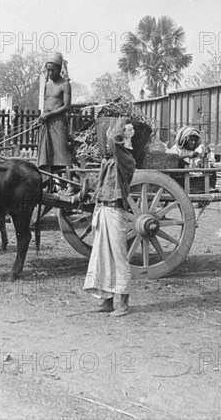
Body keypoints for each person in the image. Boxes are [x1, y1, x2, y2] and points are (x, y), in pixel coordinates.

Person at [83, 119, 137, 317]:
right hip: (104, 210)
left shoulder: (126, 160)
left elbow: (113, 141)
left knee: (119, 258)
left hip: (116, 212)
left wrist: (118, 123)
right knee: (102, 255)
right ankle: (107, 301)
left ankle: (123, 303)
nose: (107, 146)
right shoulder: (108, 161)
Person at [37, 52, 74, 194]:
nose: (50, 72)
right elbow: (47, 104)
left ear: (60, 69)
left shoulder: (65, 85)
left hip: (58, 123)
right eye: (48, 70)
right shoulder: (47, 84)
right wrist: (42, 117)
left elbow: (66, 106)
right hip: (46, 123)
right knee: (46, 154)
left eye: (53, 70)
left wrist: (50, 115)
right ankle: (49, 184)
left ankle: (70, 186)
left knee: (63, 155)